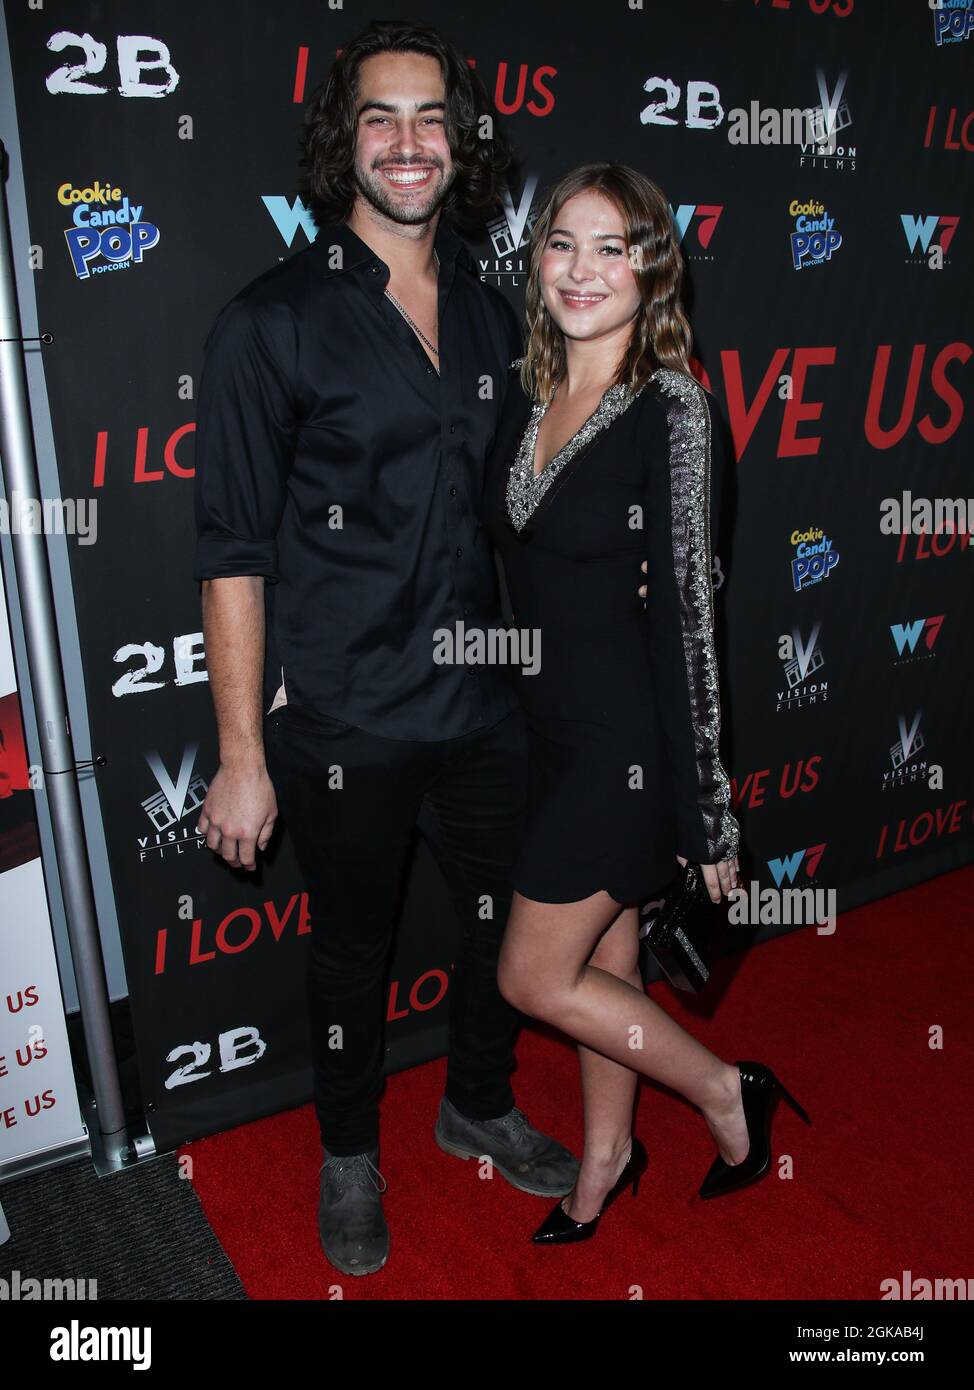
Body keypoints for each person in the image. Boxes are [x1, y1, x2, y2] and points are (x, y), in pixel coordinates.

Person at [191, 20, 582, 1278]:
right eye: (379, 117)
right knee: (350, 953)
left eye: (430, 118)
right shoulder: (272, 322)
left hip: (487, 704)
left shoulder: (490, 307)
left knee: (492, 929)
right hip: (349, 714)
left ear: (460, 142)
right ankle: (348, 1154)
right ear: (340, 140)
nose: (407, 143)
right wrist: (240, 754)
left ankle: (474, 1095)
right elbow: (232, 548)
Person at [482, 164, 811, 1244]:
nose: (581, 269)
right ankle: (608, 1158)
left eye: (610, 247)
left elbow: (687, 614)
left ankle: (726, 1091)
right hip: (545, 730)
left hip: (624, 744)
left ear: (651, 269)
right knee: (605, 958)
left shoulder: (669, 408)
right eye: (561, 244)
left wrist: (705, 800)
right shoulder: (532, 389)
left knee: (533, 974)